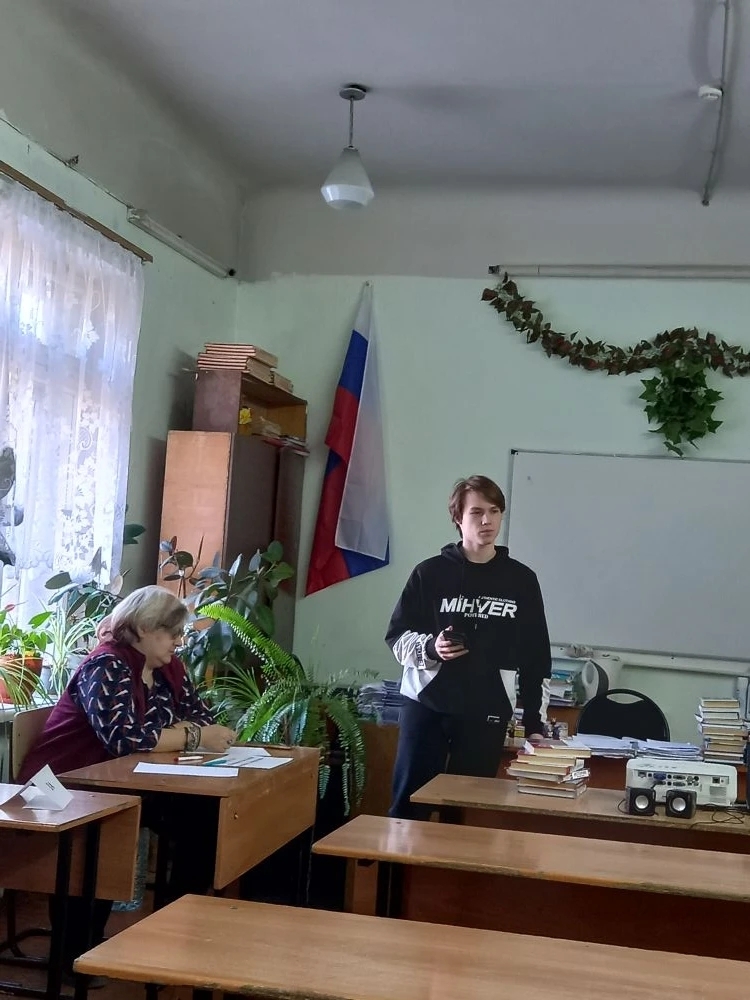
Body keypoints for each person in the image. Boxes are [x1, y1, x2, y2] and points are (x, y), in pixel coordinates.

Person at [19, 585, 237, 979]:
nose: (179, 641)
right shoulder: (107, 665)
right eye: (173, 633)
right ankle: (75, 953)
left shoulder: (169, 668)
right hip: (57, 787)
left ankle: (176, 929)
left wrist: (179, 733)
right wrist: (188, 736)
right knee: (103, 834)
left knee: (204, 818)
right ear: (144, 628)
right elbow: (124, 739)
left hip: (119, 782)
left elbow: (203, 718)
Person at [386, 475, 551, 819]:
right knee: (409, 808)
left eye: (494, 511)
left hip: (486, 711)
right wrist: (432, 648)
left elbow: (536, 656)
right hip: (427, 704)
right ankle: (400, 855)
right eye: (477, 512)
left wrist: (535, 723)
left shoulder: (521, 580)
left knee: (465, 814)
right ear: (458, 518)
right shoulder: (428, 573)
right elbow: (397, 638)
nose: (487, 520)